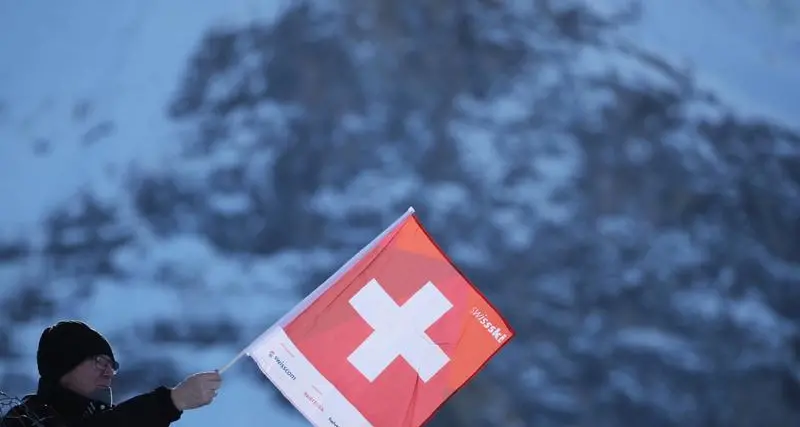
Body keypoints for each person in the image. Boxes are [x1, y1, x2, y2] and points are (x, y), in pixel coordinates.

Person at [0, 320, 222, 427]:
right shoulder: (24, 421)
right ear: (64, 366)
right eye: (99, 362)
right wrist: (171, 401)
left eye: (112, 365)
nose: (109, 373)